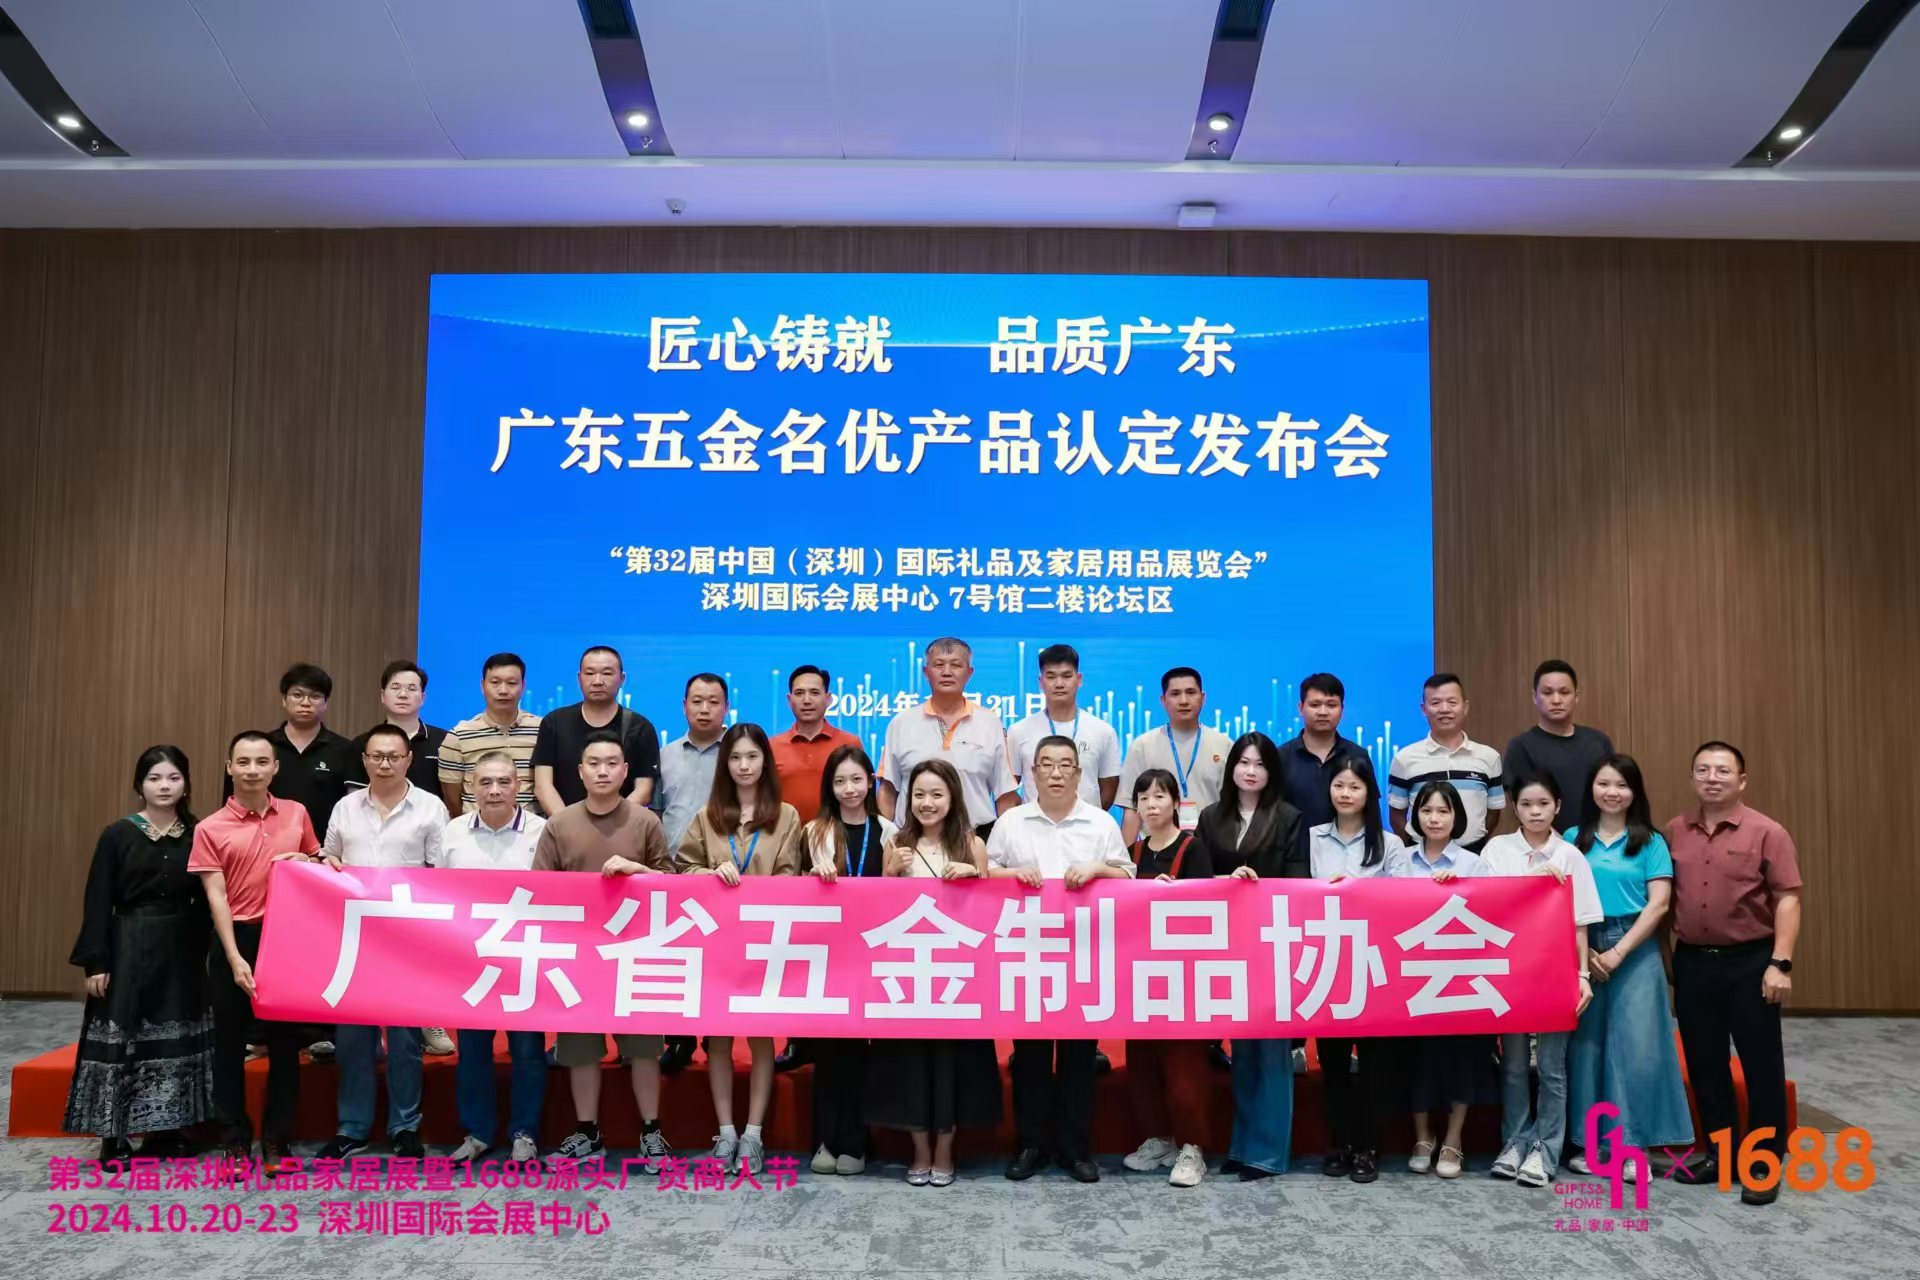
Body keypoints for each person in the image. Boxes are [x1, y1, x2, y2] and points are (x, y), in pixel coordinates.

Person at [989, 736, 1133, 1184]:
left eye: (1065, 765)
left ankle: (1075, 1148)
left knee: (1078, 1059)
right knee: (1030, 1058)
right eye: (1046, 764)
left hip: (1083, 957)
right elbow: (984, 873)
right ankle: (1030, 1145)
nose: (1055, 773)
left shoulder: (1100, 823)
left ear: (1079, 774)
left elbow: (1128, 876)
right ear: (1031, 772)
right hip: (1028, 957)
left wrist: (1097, 869)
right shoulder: (1011, 822)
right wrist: (1012, 874)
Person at [1665, 741, 1802, 1206]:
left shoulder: (1768, 832)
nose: (1712, 778)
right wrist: (1667, 957)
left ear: (1742, 780)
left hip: (1751, 962)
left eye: (1723, 770)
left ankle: (1762, 1163)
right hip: (1692, 961)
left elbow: (1788, 898)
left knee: (1761, 1066)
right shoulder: (1674, 831)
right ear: (1692, 778)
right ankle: (1720, 1155)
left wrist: (1780, 963)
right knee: (1705, 1064)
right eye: (1702, 769)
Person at [65, 746, 214, 1168]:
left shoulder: (199, 832)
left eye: (173, 778)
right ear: (139, 784)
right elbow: (98, 900)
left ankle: (167, 1130)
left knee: (176, 1036)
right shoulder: (118, 834)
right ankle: (113, 1136)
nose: (164, 786)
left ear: (186, 783)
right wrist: (96, 962)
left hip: (183, 947)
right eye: (154, 778)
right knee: (124, 1036)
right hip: (129, 942)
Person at [534, 731, 677, 1167]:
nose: (602, 771)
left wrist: (638, 870)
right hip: (579, 957)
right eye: (593, 763)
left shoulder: (646, 822)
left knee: (645, 1049)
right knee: (580, 1050)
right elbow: (540, 891)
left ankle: (651, 1131)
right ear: (580, 772)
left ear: (626, 771)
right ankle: (588, 1133)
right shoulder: (559, 824)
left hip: (636, 953)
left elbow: (671, 885)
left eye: (612, 763)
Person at [189, 731, 326, 1175]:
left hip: (286, 940)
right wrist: (234, 958)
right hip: (236, 939)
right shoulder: (210, 827)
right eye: (243, 762)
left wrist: (308, 862)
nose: (252, 770)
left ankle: (276, 1140)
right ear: (229, 767)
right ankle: (233, 1141)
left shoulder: (296, 812)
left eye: (261, 762)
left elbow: (316, 864)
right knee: (228, 1045)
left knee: (286, 1046)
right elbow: (216, 897)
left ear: (275, 768)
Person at [314, 725, 449, 1161]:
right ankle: (352, 1127)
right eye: (376, 756)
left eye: (393, 756)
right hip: (355, 937)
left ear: (409, 759)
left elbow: (441, 873)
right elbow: (330, 859)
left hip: (408, 937)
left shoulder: (430, 808)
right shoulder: (345, 807)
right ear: (365, 760)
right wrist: (327, 864)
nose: (385, 764)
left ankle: (405, 1126)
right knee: (354, 1038)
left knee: (406, 1039)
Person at [865, 759, 1000, 1185]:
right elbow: (880, 912)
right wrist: (889, 875)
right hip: (908, 976)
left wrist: (976, 875)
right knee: (911, 1068)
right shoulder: (896, 843)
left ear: (953, 798)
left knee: (950, 1068)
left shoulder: (971, 844)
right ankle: (920, 1149)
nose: (927, 803)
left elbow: (991, 915)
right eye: (919, 794)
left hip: (957, 979)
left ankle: (945, 1149)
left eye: (937, 794)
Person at [677, 723, 804, 1176]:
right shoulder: (707, 815)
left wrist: (756, 887)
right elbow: (684, 868)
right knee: (718, 1036)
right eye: (735, 758)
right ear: (724, 764)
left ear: (765, 762)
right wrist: (710, 875)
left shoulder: (786, 815)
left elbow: (791, 875)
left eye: (752, 757)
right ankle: (726, 1132)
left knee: (761, 1034)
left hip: (764, 941)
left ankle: (753, 1133)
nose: (744, 766)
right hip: (717, 941)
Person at [1566, 754, 1693, 1184]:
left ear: (1634, 792)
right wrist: (1585, 955)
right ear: (1592, 788)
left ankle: (1632, 1148)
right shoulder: (1574, 838)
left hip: (1635, 948)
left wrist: (1618, 952)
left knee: (1636, 1049)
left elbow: (1658, 905)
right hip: (1582, 943)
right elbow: (1559, 899)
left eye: (1621, 785)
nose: (1612, 792)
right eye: (1604, 783)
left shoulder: (1650, 842)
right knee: (1587, 1049)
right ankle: (1590, 1146)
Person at [1481, 773, 1600, 1188]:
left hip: (1556, 972)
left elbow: (1581, 924)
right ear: (1514, 807)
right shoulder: (1497, 850)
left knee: (1551, 1068)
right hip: (1509, 971)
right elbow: (1485, 906)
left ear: (1558, 807)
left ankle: (1546, 1150)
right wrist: (1531, 885)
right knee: (1514, 1065)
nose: (1535, 812)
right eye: (1527, 804)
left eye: (1543, 804)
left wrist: (1582, 975)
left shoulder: (1570, 856)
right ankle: (1513, 1143)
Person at [1195, 732, 1304, 1180]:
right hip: (1227, 945)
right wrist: (1225, 881)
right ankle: (1241, 1147)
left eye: (1260, 764)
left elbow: (1299, 881)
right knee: (1242, 1050)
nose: (1251, 771)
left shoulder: (1289, 817)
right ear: (1231, 768)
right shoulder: (1210, 816)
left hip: (1272, 941)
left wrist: (1257, 885)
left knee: (1272, 1050)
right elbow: (1198, 879)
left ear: (1271, 772)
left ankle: (1268, 1153)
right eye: (1243, 762)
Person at [434, 751, 549, 1166]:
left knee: (527, 1050)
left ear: (519, 786)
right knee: (473, 1050)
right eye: (485, 782)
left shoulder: (542, 830)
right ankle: (478, 1132)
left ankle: (525, 1133)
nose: (495, 790)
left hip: (525, 955)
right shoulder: (453, 832)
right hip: (469, 956)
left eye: (503, 782)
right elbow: (436, 891)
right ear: (470, 787)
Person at [1307, 752, 1405, 1185]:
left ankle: (1368, 1146)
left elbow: (1404, 905)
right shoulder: (1311, 838)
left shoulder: (1391, 844)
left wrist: (1357, 892)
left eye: (1355, 786)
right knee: (1332, 1063)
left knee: (1375, 1067)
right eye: (1339, 785)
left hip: (1376, 967)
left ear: (1370, 793)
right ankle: (1339, 1143)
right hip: (1327, 965)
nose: (1345, 794)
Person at [802, 743, 897, 1174]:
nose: (849, 789)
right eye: (840, 781)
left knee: (861, 1053)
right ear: (830, 787)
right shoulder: (815, 831)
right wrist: (811, 879)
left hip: (874, 955)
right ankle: (826, 1139)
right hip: (829, 955)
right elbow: (795, 894)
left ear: (870, 783)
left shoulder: (889, 831)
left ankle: (856, 1143)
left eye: (857, 779)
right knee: (828, 1051)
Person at [1392, 779, 1494, 1179]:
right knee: (1416, 1058)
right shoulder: (1400, 859)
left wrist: (1461, 892)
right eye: (1426, 810)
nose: (1434, 818)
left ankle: (1453, 1138)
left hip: (1459, 977)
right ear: (1415, 815)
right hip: (1411, 976)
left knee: (1462, 1057)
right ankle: (1423, 1137)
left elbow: (1493, 915)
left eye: (1443, 811)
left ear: (1457, 817)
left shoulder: (1474, 864)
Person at [1120, 767, 1213, 1188]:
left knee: (1184, 1067)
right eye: (1143, 798)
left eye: (1159, 796)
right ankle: (1159, 1139)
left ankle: (1193, 1147)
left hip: (1183, 975)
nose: (1151, 805)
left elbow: (1206, 908)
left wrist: (1171, 896)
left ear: (1176, 802)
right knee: (1142, 1063)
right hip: (1139, 975)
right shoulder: (1130, 853)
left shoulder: (1193, 849)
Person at [656, 672, 730, 1074]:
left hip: (725, 875)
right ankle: (678, 1037)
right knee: (676, 960)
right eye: (697, 701)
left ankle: (716, 1033)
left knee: (720, 960)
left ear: (727, 707)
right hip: (674, 874)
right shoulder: (665, 755)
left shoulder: (739, 755)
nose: (705, 709)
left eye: (713, 702)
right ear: (684, 706)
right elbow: (654, 813)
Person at [877, 637, 1019, 835]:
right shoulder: (901, 723)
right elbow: (888, 790)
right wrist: (884, 841)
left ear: (969, 673)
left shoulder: (990, 723)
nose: (946, 672)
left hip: (974, 837)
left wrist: (1006, 842)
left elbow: (1005, 794)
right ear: (926, 672)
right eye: (938, 665)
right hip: (913, 838)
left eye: (956, 665)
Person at [227, 662, 356, 842]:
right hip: (263, 846)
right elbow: (234, 799)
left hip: (325, 850)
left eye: (315, 696)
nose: (305, 703)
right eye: (297, 695)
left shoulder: (346, 750)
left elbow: (352, 808)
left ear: (326, 703)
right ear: (284, 700)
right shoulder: (263, 748)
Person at [531, 645, 662, 816]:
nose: (598, 681)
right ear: (579, 678)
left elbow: (643, 791)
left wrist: (612, 824)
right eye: (590, 673)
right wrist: (568, 825)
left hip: (621, 827)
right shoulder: (554, 722)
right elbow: (543, 786)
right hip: (564, 826)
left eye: (607, 673)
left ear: (622, 679)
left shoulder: (640, 728)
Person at [1115, 667, 1234, 844]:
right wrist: (1127, 858)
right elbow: (1132, 809)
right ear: (1163, 700)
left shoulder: (1224, 745)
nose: (1184, 701)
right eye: (1175, 694)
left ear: (1203, 698)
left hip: (1210, 847)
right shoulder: (1142, 746)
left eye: (1191, 692)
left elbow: (1233, 807)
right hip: (1156, 848)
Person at [1387, 673, 1504, 850]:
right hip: (1422, 857)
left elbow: (1494, 812)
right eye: (1435, 703)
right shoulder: (1404, 759)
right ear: (1423, 709)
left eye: (1452, 702)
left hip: (1474, 855)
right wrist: (1413, 850)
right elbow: (1396, 814)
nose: (1444, 709)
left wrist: (1476, 847)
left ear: (1465, 707)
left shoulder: (1489, 757)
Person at [1501, 661, 1614, 834]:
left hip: (1598, 841)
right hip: (1546, 843)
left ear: (1576, 696)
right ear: (1534, 697)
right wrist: (1558, 843)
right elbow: (1519, 803)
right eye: (1547, 693)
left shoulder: (1598, 742)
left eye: (1564, 692)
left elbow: (1613, 792)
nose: (1556, 700)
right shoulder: (1521, 746)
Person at [1006, 644, 1122, 810]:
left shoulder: (1103, 731)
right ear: (1041, 682)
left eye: (1067, 676)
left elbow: (1109, 787)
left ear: (1079, 679)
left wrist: (1086, 818)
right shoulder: (1019, 731)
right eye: (1051, 677)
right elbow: (1008, 790)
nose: (1059, 684)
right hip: (1034, 824)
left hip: (1086, 824)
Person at [437, 652, 542, 815]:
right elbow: (452, 800)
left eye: (512, 683)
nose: (503, 690)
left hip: (531, 828)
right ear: (482, 685)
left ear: (523, 686)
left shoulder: (542, 730)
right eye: (495, 682)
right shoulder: (458, 736)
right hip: (475, 828)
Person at [1277, 673, 1369, 831]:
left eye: (1331, 705)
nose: (1323, 712)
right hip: (1292, 846)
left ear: (1342, 710)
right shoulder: (1280, 757)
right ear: (1300, 708)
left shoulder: (1358, 756)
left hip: (1346, 846)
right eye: (1315, 705)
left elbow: (1370, 811)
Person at [771, 665, 860, 824]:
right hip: (786, 836)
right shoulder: (772, 746)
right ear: (789, 700)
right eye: (799, 693)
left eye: (814, 693)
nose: (807, 700)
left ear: (828, 699)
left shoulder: (850, 743)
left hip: (839, 835)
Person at [349, 660, 448, 797]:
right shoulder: (363, 743)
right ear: (383, 696)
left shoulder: (444, 741)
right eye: (395, 687)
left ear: (423, 697)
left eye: (411, 689)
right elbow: (355, 799)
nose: (403, 694)